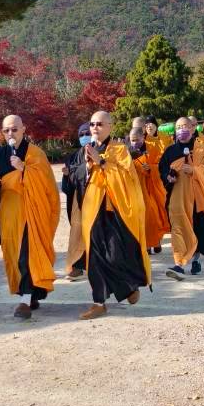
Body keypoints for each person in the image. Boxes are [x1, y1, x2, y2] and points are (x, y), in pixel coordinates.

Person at [69, 110, 150, 319]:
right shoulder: (84, 151)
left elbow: (127, 178)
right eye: (92, 124)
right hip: (92, 212)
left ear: (110, 127)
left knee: (115, 254)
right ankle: (99, 303)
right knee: (95, 258)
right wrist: (87, 166)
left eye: (100, 124)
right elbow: (74, 176)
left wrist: (102, 162)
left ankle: (129, 287)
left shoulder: (120, 150)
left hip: (115, 212)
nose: (95, 128)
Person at [0, 114, 60, 320]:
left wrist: (24, 169)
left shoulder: (36, 154)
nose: (10, 133)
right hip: (8, 216)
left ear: (23, 130)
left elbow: (47, 186)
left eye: (14, 129)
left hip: (32, 213)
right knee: (15, 257)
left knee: (28, 255)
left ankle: (25, 301)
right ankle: (29, 294)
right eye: (6, 130)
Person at [159, 116, 204, 280]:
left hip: (197, 199)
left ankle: (195, 259)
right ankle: (179, 264)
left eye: (185, 126)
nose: (181, 130)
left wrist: (194, 171)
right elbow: (162, 169)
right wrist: (168, 177)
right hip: (177, 197)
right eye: (178, 127)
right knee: (178, 229)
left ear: (192, 128)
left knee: (197, 229)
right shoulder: (170, 151)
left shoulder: (202, 150)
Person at [127, 124, 169, 254]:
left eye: (137, 139)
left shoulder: (152, 148)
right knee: (142, 217)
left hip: (152, 188)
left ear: (143, 138)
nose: (135, 142)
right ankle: (146, 245)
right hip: (136, 189)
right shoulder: (126, 153)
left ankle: (156, 241)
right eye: (132, 140)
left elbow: (161, 166)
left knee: (154, 216)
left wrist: (151, 168)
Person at [61, 123, 91, 280]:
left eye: (87, 133)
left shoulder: (100, 152)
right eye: (81, 134)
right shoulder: (72, 157)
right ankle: (77, 266)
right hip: (77, 201)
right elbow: (67, 187)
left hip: (97, 199)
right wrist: (67, 176)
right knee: (77, 233)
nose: (85, 136)